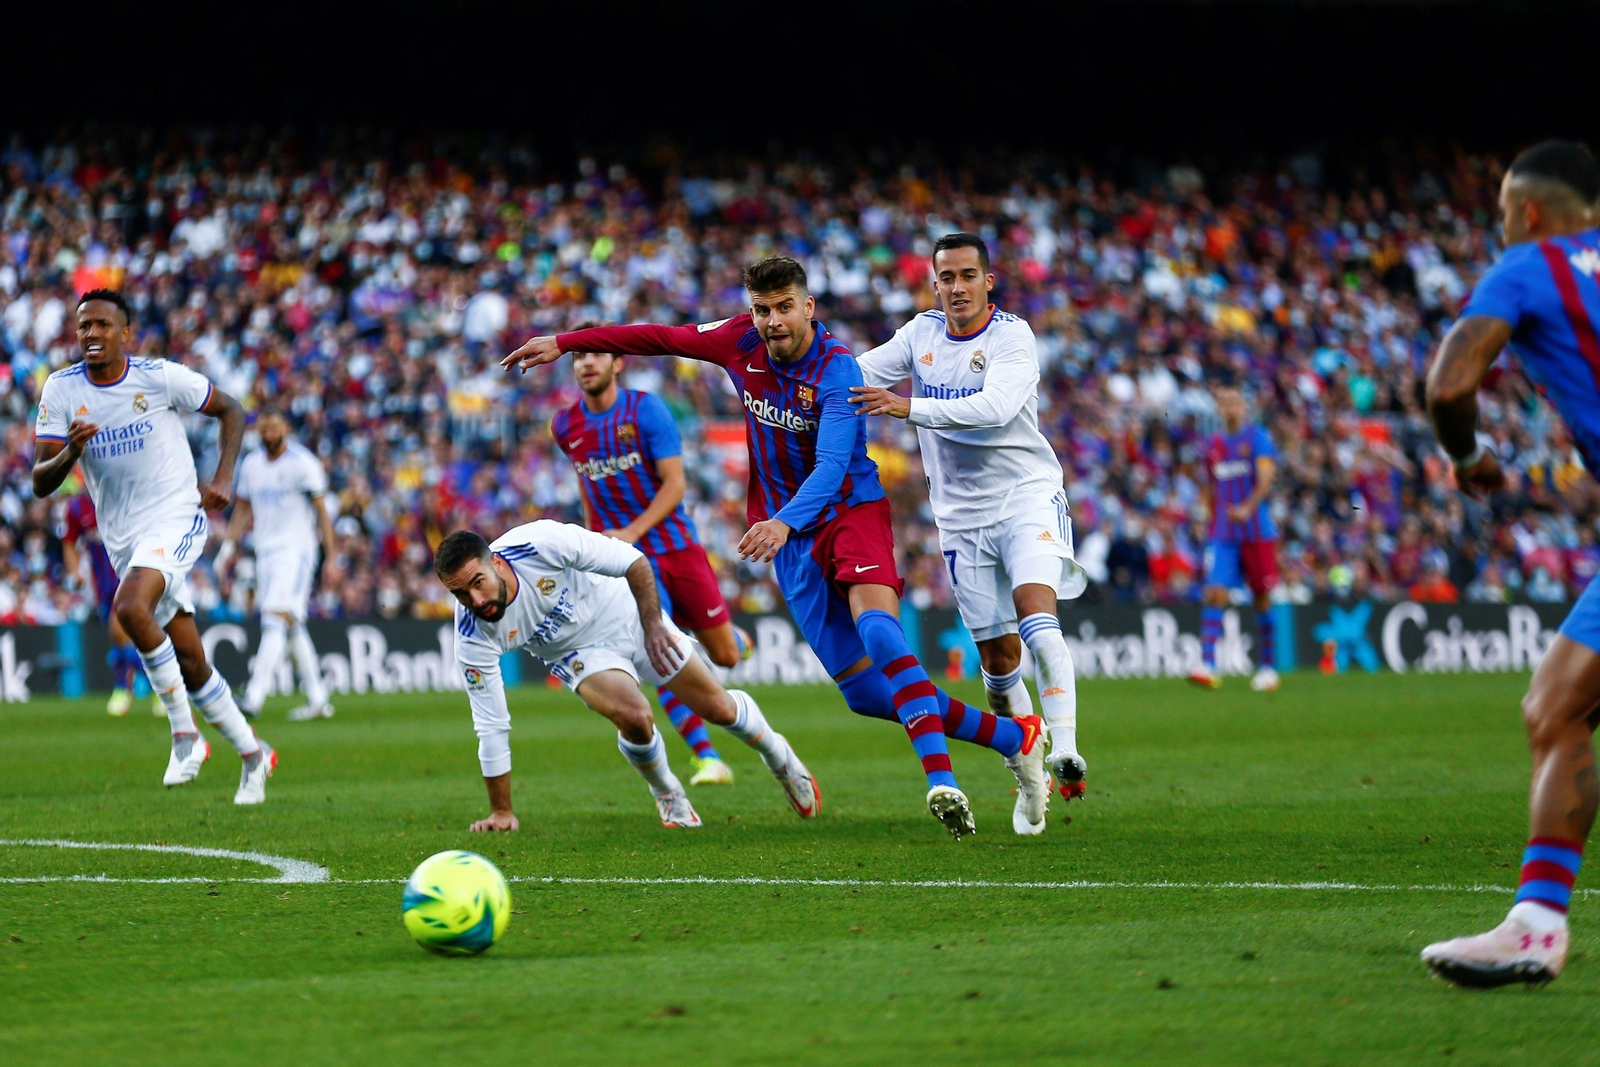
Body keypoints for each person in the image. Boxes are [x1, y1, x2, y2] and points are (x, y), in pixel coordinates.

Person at [504, 256, 1048, 838]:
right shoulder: (738, 339)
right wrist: (566, 342)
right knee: (864, 693)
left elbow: (832, 466)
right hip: (787, 538)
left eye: (785, 307)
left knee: (881, 634)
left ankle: (941, 781)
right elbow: (660, 337)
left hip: (848, 512)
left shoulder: (837, 370)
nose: (773, 321)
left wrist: (784, 522)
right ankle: (1014, 737)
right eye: (763, 309)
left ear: (807, 307)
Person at [1419, 140, 1600, 987]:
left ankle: (1536, 926)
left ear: (1528, 212)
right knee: (1559, 703)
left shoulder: (1529, 265)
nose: (1499, 227)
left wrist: (1467, 456)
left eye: (1499, 213)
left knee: (1556, 707)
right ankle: (1536, 922)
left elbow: (1450, 384)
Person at [852, 232, 1089, 832]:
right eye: (946, 277)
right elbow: (854, 375)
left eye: (966, 276)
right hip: (960, 517)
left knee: (1037, 615)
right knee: (999, 664)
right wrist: (789, 371)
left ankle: (1065, 748)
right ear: (934, 283)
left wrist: (907, 407)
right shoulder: (920, 334)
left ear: (988, 281)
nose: (956, 287)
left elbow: (995, 410)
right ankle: (1030, 773)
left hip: (1026, 497)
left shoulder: (1012, 337)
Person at [32, 289, 274, 804]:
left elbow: (231, 409)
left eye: (102, 324)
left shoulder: (158, 377)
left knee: (128, 608)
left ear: (125, 333)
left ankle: (185, 736)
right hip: (123, 539)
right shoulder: (61, 389)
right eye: (84, 325)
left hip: (176, 516)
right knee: (190, 660)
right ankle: (254, 755)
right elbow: (39, 481)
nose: (91, 333)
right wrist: (72, 450)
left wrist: (223, 476)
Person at [434, 521, 818, 831]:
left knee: (719, 709)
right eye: (461, 594)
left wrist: (654, 626)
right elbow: (491, 723)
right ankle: (667, 791)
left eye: (478, 582)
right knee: (635, 717)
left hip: (630, 615)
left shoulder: (541, 543)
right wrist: (502, 811)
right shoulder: (472, 635)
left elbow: (633, 560)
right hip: (578, 654)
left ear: (497, 563)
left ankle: (779, 756)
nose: (475, 601)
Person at [552, 334, 755, 785]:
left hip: (676, 546)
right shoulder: (565, 425)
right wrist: (597, 545)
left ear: (617, 363)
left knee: (724, 655)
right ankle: (707, 758)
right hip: (626, 562)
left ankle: (735, 640)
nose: (586, 363)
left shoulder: (646, 410)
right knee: (659, 648)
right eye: (578, 356)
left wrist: (633, 531)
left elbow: (675, 484)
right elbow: (588, 486)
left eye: (596, 354)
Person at [219, 406, 338, 721]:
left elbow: (322, 512)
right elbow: (243, 507)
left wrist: (331, 557)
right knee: (292, 623)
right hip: (265, 552)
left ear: (286, 428)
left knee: (274, 617)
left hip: (296, 551)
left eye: (274, 428)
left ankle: (254, 697)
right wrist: (228, 546)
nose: (269, 434)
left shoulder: (303, 464)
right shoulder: (252, 464)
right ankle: (318, 699)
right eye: (264, 428)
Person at [1188, 382, 1281, 693]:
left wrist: (1247, 508)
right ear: (1218, 409)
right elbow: (1209, 486)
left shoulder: (1258, 437)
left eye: (1234, 402)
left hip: (1257, 530)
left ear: (1244, 406)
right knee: (1215, 591)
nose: (1230, 408)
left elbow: (1266, 478)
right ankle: (1208, 665)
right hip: (1223, 532)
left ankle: (1268, 667)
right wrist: (1207, 516)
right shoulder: (1214, 445)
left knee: (1261, 597)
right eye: (1224, 403)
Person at [59, 491, 148, 716]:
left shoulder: (126, 492)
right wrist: (74, 572)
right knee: (121, 637)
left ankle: (122, 689)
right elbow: (69, 541)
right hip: (104, 584)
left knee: (120, 631)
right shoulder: (78, 506)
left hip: (136, 574)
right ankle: (159, 681)